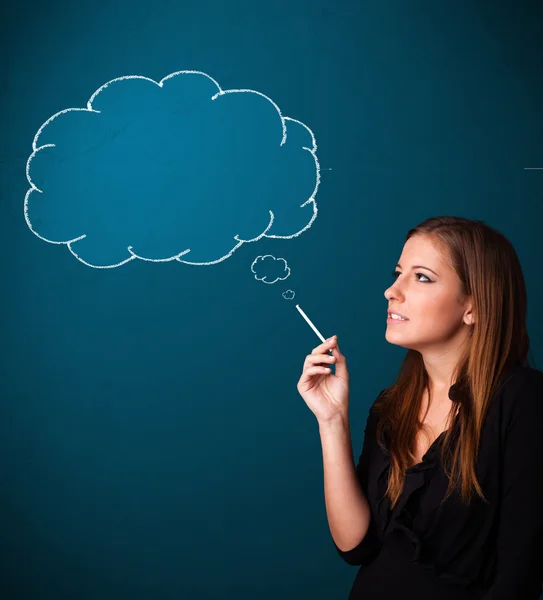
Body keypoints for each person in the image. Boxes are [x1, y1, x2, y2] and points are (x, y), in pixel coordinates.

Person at [297, 216, 543, 599]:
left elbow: (519, 574)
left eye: (421, 277)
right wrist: (332, 420)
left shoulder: (523, 400)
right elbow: (356, 547)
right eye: (398, 273)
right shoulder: (391, 406)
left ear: (473, 306)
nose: (391, 291)